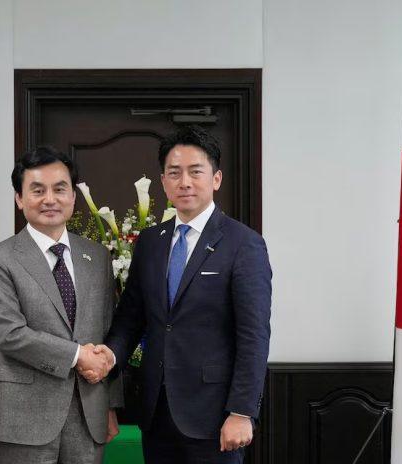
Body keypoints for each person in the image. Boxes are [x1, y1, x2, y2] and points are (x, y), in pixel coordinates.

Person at [87, 125, 272, 464]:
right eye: (174, 173)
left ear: (216, 179)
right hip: (156, 412)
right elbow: (130, 319)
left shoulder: (244, 244)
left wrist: (242, 411)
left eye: (195, 171)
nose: (184, 182)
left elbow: (254, 335)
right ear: (163, 182)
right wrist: (109, 357)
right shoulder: (150, 242)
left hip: (215, 415)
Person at [0, 146, 122, 464]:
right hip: (24, 417)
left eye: (59, 189)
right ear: (19, 198)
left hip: (89, 415)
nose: (50, 199)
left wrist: (110, 405)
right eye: (37, 190)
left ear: (73, 197)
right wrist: (77, 354)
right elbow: (9, 334)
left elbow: (107, 332)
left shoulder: (97, 257)